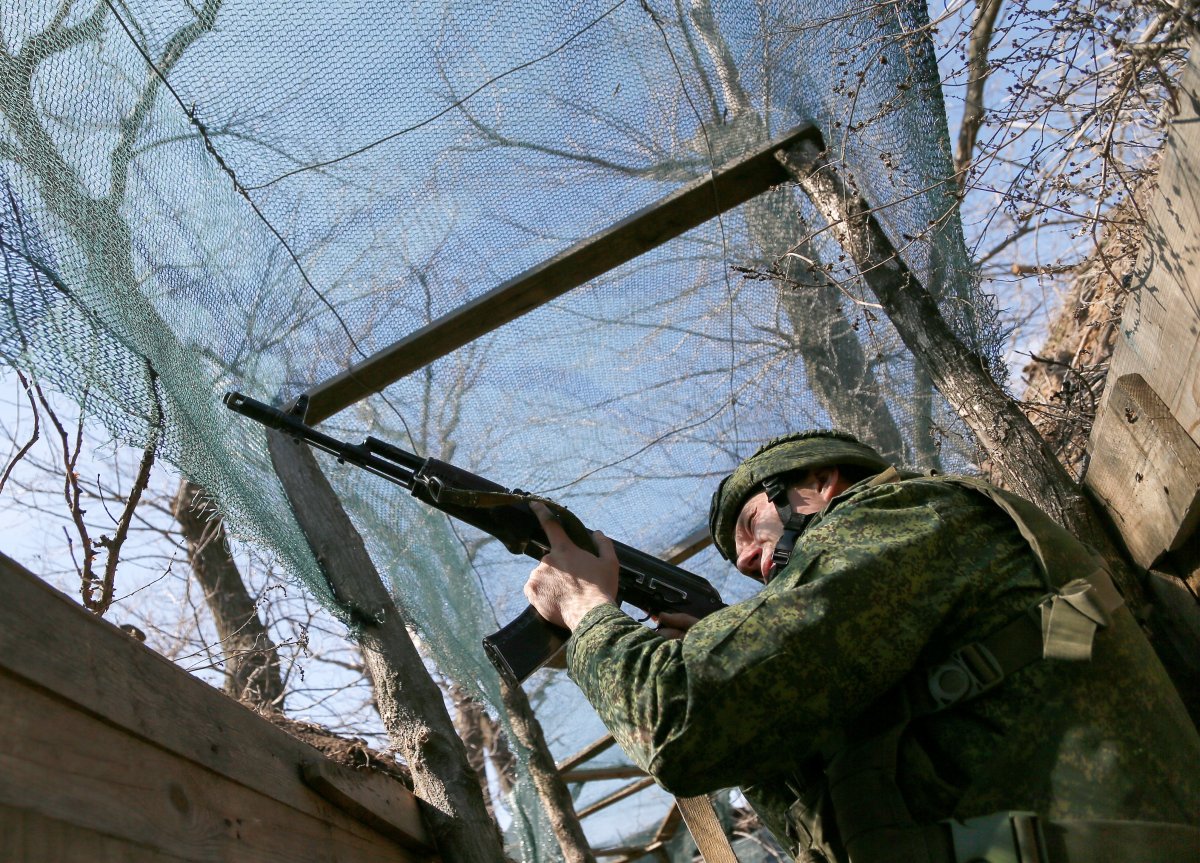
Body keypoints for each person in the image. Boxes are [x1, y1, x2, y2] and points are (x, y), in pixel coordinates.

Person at [523, 430, 1200, 863]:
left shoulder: (905, 519)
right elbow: (833, 836)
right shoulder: (885, 629)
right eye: (740, 561)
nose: (756, 563)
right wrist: (764, 736)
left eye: (752, 530)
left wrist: (589, 615)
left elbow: (680, 720)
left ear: (815, 486)